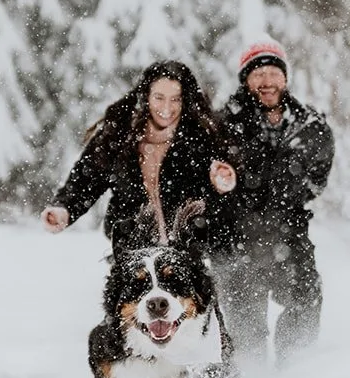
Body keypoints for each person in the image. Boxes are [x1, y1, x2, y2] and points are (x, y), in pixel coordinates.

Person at [213, 38, 334, 365]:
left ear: (285, 78)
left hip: (289, 235)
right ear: (245, 80)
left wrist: (289, 194)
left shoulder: (309, 124)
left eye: (273, 73)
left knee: (306, 300)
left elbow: (318, 177)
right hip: (236, 239)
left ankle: (294, 375)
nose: (266, 81)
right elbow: (210, 177)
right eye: (258, 74)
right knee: (244, 332)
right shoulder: (223, 125)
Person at [43, 61, 237, 259]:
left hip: (186, 252)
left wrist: (222, 182)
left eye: (175, 99)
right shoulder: (120, 133)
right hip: (133, 249)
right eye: (159, 98)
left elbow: (222, 189)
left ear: (184, 100)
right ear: (146, 96)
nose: (167, 108)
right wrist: (65, 209)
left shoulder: (201, 136)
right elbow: (87, 177)